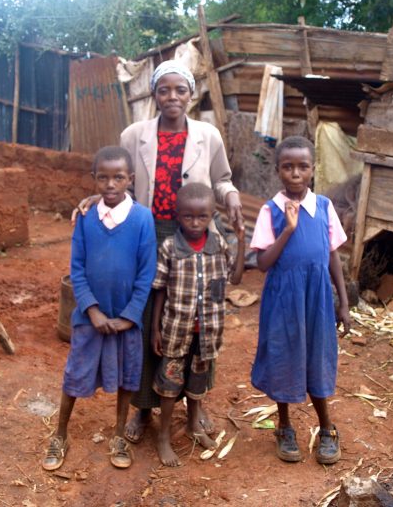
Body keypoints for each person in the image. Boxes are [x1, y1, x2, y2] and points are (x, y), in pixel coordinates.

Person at [73, 60, 244, 444]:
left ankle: (195, 407)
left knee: (198, 320)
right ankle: (143, 408)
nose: (172, 97)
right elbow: (121, 182)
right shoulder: (135, 134)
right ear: (154, 94)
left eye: (180, 90)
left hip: (195, 234)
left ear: (190, 94)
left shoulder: (208, 135)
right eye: (164, 90)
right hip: (148, 234)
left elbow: (222, 179)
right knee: (151, 317)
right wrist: (95, 198)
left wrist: (231, 199)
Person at [43, 146, 156, 471]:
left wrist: (128, 316)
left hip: (126, 321)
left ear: (129, 179)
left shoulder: (142, 219)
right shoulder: (86, 219)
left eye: (118, 177)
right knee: (75, 375)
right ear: (93, 179)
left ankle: (119, 434)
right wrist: (91, 310)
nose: (110, 184)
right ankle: (60, 434)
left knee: (126, 378)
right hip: (89, 320)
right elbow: (76, 268)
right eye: (103, 177)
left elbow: (146, 272)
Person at [250, 136, 350, 465]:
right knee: (284, 357)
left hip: (317, 297)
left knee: (318, 357)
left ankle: (327, 428)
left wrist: (344, 302)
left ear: (312, 170)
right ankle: (284, 427)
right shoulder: (270, 210)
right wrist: (288, 230)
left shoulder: (323, 207)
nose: (295, 173)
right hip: (283, 298)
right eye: (288, 167)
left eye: (302, 166)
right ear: (278, 170)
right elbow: (263, 263)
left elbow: (332, 255)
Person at [151, 183, 245, 466]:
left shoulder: (220, 246)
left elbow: (237, 278)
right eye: (188, 217)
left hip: (207, 332)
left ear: (212, 215)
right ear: (177, 216)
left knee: (197, 385)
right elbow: (160, 289)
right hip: (175, 330)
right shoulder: (170, 248)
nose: (195, 223)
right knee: (169, 385)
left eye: (202, 217)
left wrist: (240, 241)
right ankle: (164, 437)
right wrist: (155, 328)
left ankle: (193, 425)